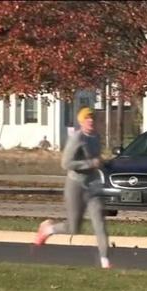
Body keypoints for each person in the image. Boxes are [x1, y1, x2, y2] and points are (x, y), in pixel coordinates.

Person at [33, 107, 111, 268]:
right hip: (75, 185)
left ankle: (105, 261)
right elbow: (66, 163)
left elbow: (96, 159)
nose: (91, 121)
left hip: (93, 185)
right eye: (87, 118)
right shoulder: (77, 138)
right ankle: (48, 229)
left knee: (99, 222)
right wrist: (90, 163)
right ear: (81, 122)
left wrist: (103, 164)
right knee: (74, 227)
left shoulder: (97, 136)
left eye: (93, 118)